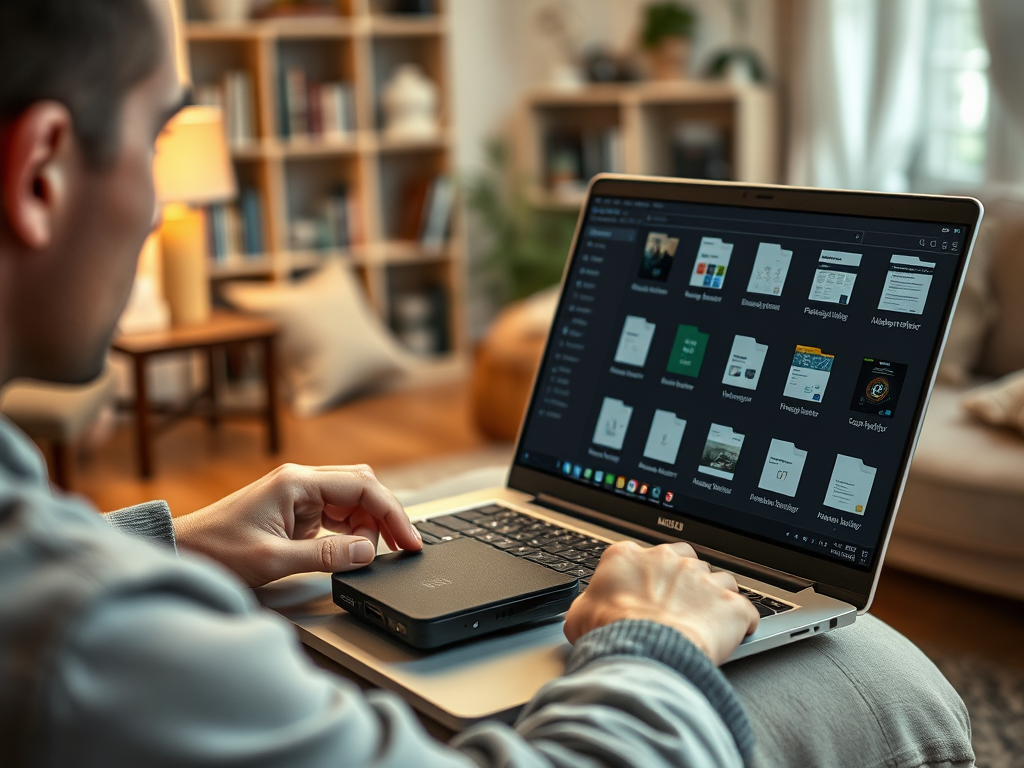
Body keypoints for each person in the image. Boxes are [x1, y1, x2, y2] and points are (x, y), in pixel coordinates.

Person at [0, 2, 976, 766]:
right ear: (41, 172)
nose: (156, 205)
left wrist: (170, 545)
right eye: (156, 141)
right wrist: (652, 641)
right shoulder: (89, 634)